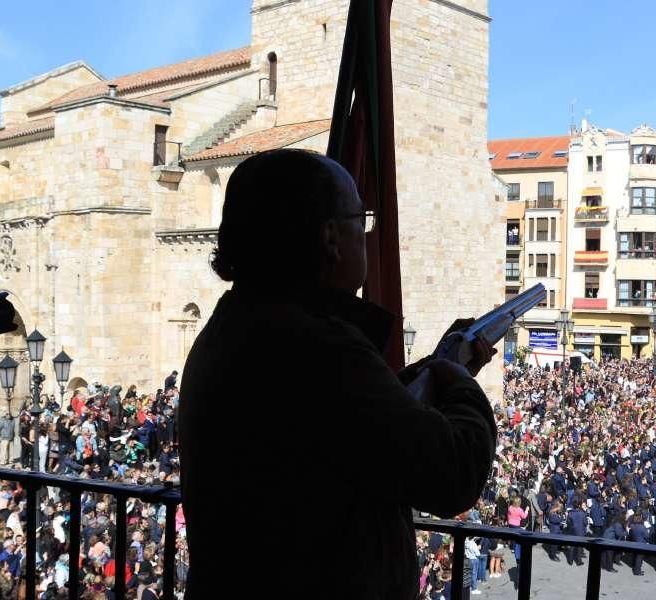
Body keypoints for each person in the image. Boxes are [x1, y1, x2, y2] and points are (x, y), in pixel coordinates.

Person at [179, 149, 497, 599]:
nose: (366, 236)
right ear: (330, 236)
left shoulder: (236, 326)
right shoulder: (316, 346)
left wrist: (429, 372)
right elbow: (452, 474)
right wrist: (461, 386)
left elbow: (348, 427)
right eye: (360, 221)